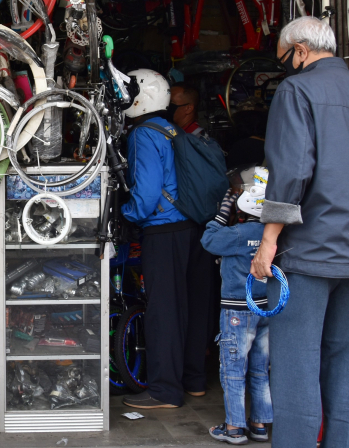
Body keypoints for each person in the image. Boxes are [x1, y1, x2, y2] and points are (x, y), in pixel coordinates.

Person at [250, 17, 349, 448]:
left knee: (297, 373)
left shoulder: (297, 91)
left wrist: (269, 241)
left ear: (299, 50)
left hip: (310, 255)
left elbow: (291, 173)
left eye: (284, 60)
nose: (286, 69)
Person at [120, 69, 214, 409]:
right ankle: (194, 381)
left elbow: (144, 197)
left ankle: (163, 391)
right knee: (192, 307)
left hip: (164, 232)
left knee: (165, 312)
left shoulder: (144, 135)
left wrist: (125, 214)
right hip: (195, 230)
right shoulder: (175, 130)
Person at [202, 167, 273, 445]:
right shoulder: (271, 235)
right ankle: (259, 424)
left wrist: (222, 212)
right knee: (259, 369)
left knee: (232, 370)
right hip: (265, 309)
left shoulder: (237, 233)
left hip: (237, 312)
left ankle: (233, 427)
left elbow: (208, 240)